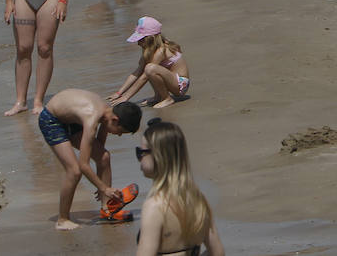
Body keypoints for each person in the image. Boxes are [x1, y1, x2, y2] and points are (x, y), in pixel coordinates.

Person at [38, 88, 142, 230]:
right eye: (120, 132)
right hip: (51, 120)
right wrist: (103, 188)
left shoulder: (108, 114)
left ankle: (107, 210)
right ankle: (62, 220)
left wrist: (100, 183)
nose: (118, 135)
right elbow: (84, 165)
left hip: (72, 121)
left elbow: (100, 154)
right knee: (74, 171)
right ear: (115, 120)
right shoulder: (92, 117)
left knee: (104, 157)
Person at [133, 120, 225, 256]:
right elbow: (218, 252)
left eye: (141, 152)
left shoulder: (155, 206)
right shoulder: (197, 200)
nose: (139, 158)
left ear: (158, 156)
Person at [109, 16, 191, 110]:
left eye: (141, 40)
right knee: (149, 68)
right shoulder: (148, 50)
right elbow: (137, 73)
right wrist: (119, 93)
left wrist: (126, 97)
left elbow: (144, 77)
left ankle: (167, 98)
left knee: (150, 68)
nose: (138, 43)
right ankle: (158, 96)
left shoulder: (161, 50)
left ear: (151, 38)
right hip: (172, 80)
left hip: (181, 84)